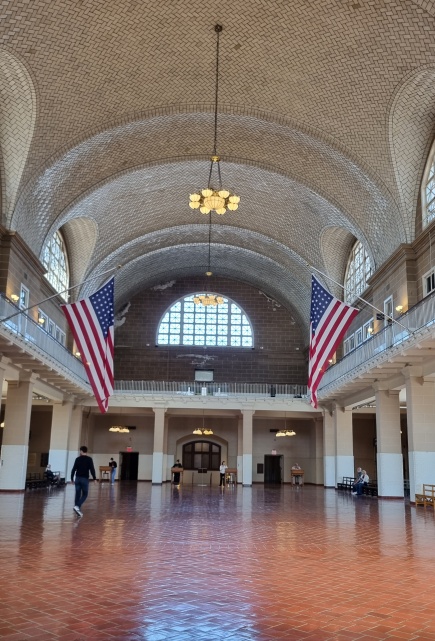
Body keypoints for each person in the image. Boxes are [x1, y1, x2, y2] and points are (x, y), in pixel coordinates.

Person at [70, 446, 97, 517]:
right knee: (85, 494)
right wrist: (94, 478)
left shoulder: (77, 459)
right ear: (86, 451)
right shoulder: (89, 459)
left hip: (77, 478)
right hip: (84, 479)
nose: (80, 452)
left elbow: (73, 469)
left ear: (81, 451)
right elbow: (92, 469)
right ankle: (77, 506)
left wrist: (72, 478)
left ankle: (77, 509)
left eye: (80, 451)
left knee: (77, 494)